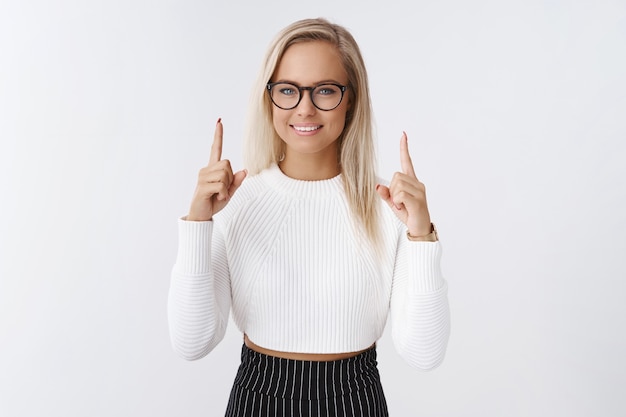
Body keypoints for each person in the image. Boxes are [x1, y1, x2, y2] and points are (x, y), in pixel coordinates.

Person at [168, 17, 450, 417]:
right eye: (288, 90)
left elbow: (425, 353)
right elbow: (190, 342)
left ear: (351, 98)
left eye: (325, 91)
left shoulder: (390, 207)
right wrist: (197, 224)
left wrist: (422, 236)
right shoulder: (233, 200)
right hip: (258, 401)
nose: (305, 108)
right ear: (269, 97)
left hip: (356, 401)